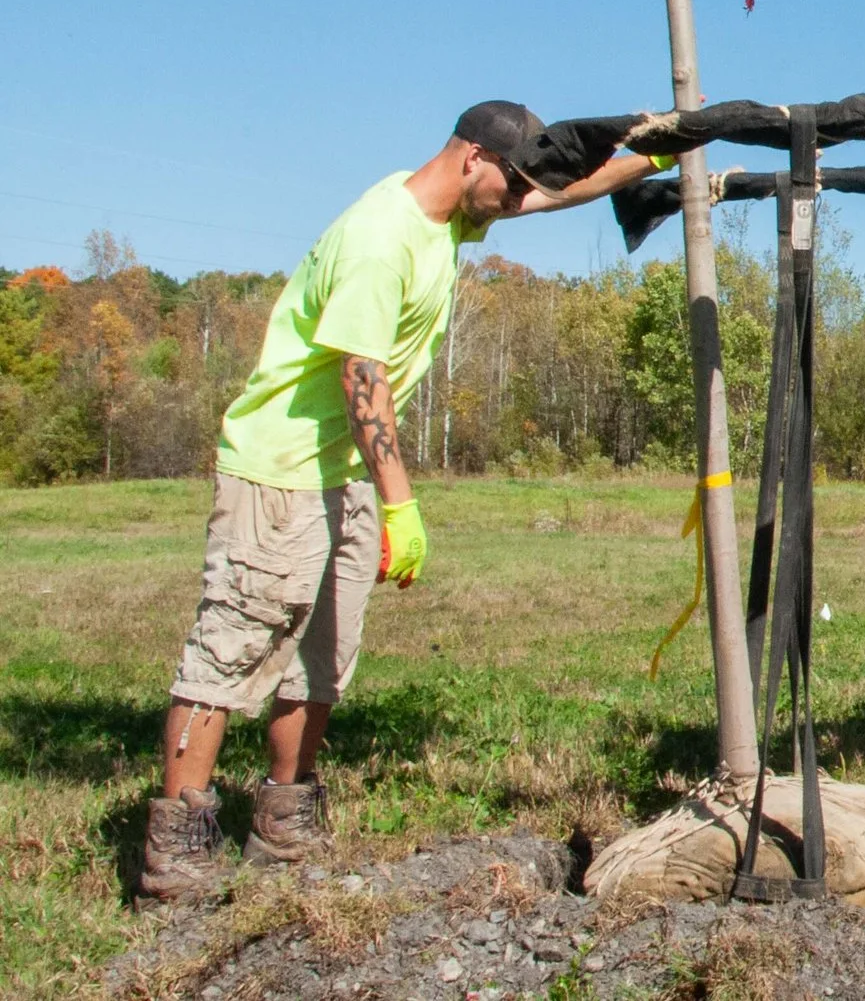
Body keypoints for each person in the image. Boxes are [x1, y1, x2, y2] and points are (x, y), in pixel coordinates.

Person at [141, 102, 669, 901]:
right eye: (509, 178)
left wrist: (657, 153)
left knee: (323, 654)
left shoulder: (448, 216)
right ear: (469, 158)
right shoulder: (380, 237)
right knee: (234, 645)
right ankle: (176, 845)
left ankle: (284, 822)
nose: (518, 197)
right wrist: (401, 502)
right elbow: (363, 377)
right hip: (280, 470)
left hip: (343, 474)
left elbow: (551, 194)